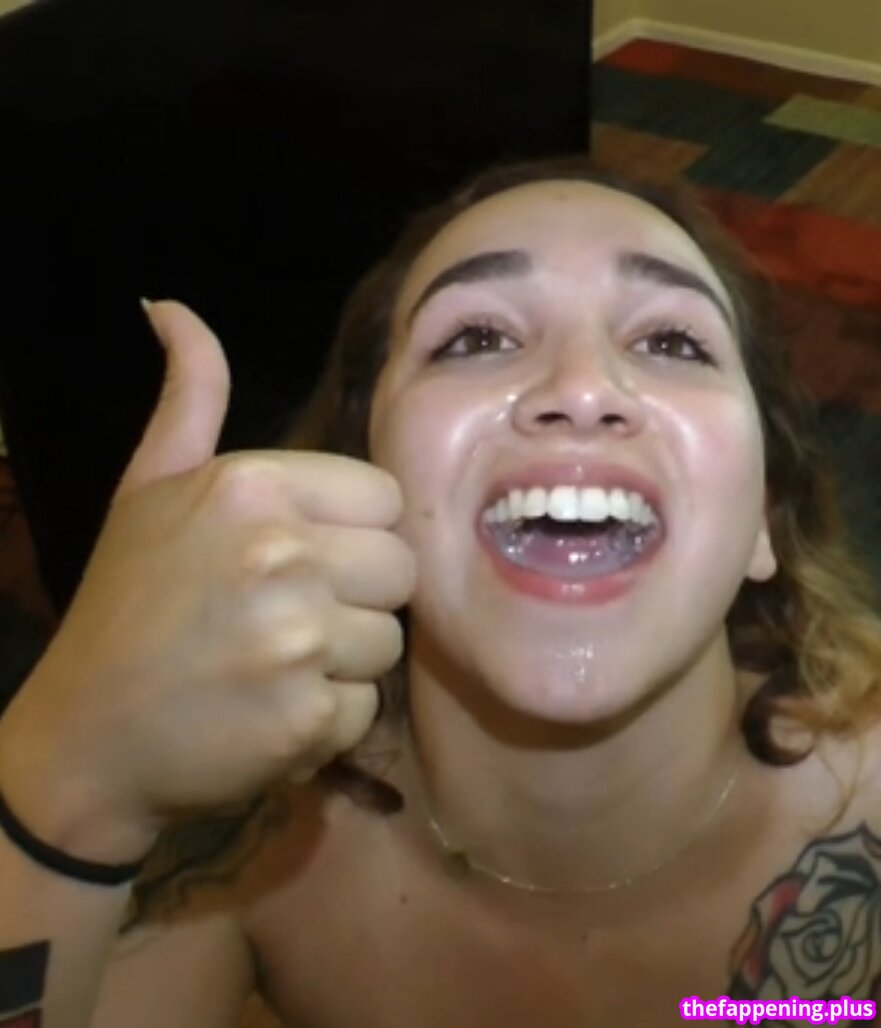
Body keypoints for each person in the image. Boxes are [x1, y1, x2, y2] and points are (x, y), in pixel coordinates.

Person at [1, 154, 880, 1028]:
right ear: (362, 477)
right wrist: (70, 778)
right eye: (477, 338)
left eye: (671, 342)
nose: (580, 389)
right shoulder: (249, 844)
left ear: (763, 513)